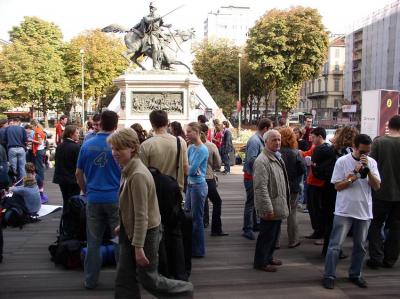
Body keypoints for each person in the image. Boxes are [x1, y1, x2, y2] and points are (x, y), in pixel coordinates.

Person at [108, 128, 193, 298]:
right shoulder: (129, 169)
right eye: (113, 148)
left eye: (118, 149)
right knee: (124, 278)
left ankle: (184, 290)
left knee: (149, 279)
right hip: (132, 232)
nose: (114, 153)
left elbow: (142, 215)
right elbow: (130, 206)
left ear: (132, 148)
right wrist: (122, 225)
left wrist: (138, 247)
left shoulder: (137, 174)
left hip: (145, 235)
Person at [323, 134, 381, 289]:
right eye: (362, 151)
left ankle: (356, 274)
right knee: (335, 245)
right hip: (344, 210)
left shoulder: (372, 163)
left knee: (360, 246)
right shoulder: (342, 161)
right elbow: (337, 186)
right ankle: (329, 275)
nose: (365, 155)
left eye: (368, 152)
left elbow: (377, 186)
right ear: (354, 147)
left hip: (364, 210)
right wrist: (353, 177)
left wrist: (368, 171)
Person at [75, 111, 121, 290]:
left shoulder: (87, 145)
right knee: (119, 240)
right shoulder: (119, 145)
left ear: (99, 123)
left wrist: (86, 191)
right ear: (116, 125)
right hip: (115, 198)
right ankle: (122, 279)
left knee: (93, 241)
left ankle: (90, 280)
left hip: (93, 198)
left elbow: (78, 173)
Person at [253, 130, 290, 272]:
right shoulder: (262, 161)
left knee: (273, 235)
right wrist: (267, 208)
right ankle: (261, 262)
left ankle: (268, 257)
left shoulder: (276, 157)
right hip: (271, 206)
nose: (278, 142)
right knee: (266, 236)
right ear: (266, 142)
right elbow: (260, 187)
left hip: (277, 203)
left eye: (279, 139)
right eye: (274, 140)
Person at [368, 115, 400, 269]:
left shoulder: (379, 142)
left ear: (389, 125)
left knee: (375, 224)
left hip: (380, 192)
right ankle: (390, 259)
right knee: (396, 227)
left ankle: (376, 257)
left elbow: (371, 166)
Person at [139, 110, 188, 192]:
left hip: (154, 191)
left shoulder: (145, 145)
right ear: (167, 122)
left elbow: (143, 173)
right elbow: (185, 168)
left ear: (152, 124)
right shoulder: (180, 142)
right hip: (175, 191)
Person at [242, 118, 272, 240]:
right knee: (250, 203)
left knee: (255, 202)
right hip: (251, 177)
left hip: (255, 176)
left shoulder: (259, 140)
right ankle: (247, 228)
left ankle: (254, 225)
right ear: (265, 128)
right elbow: (251, 159)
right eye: (270, 128)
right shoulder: (255, 141)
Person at [278, 127, 305, 248]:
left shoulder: (276, 153)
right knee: (292, 213)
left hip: (279, 186)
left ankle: (275, 241)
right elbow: (302, 170)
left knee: (277, 214)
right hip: (293, 187)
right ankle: (293, 240)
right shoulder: (296, 153)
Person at [184, 122, 209, 257]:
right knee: (188, 216)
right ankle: (191, 246)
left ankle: (198, 250)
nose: (186, 134)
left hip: (198, 186)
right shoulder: (191, 147)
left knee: (197, 219)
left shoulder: (202, 149)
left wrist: (188, 169)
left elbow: (190, 170)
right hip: (191, 185)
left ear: (196, 132)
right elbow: (186, 165)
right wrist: (188, 168)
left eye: (189, 131)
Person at [200, 123, 227, 236]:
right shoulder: (211, 146)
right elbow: (218, 163)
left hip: (195, 179)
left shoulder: (189, 146)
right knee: (217, 202)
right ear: (207, 133)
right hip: (208, 177)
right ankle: (216, 229)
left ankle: (202, 223)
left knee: (200, 203)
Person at [131, 1, 172, 69]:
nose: (151, 9)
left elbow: (161, 24)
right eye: (150, 8)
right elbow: (148, 21)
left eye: (152, 8)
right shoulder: (146, 17)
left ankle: (167, 63)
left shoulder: (159, 16)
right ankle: (155, 66)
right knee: (155, 48)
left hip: (159, 34)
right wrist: (156, 18)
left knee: (165, 47)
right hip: (151, 34)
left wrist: (167, 25)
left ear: (155, 9)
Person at [53, 125, 81, 207]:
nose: (78, 135)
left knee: (65, 199)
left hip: (61, 178)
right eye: (77, 133)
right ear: (71, 134)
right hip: (72, 179)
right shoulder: (76, 147)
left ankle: (65, 217)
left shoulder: (59, 146)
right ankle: (71, 218)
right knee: (73, 201)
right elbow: (79, 164)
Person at [4, 117, 27, 182]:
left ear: (13, 121)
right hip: (21, 148)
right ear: (18, 122)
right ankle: (23, 182)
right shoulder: (22, 129)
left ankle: (14, 182)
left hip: (11, 149)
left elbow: (5, 139)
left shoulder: (8, 129)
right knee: (22, 167)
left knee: (13, 167)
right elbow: (25, 140)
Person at [30, 120, 46, 197]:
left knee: (39, 167)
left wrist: (31, 140)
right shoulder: (40, 130)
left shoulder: (38, 132)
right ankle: (40, 180)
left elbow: (39, 142)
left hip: (39, 150)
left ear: (34, 125)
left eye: (32, 126)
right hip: (41, 150)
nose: (32, 128)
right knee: (39, 166)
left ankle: (40, 181)